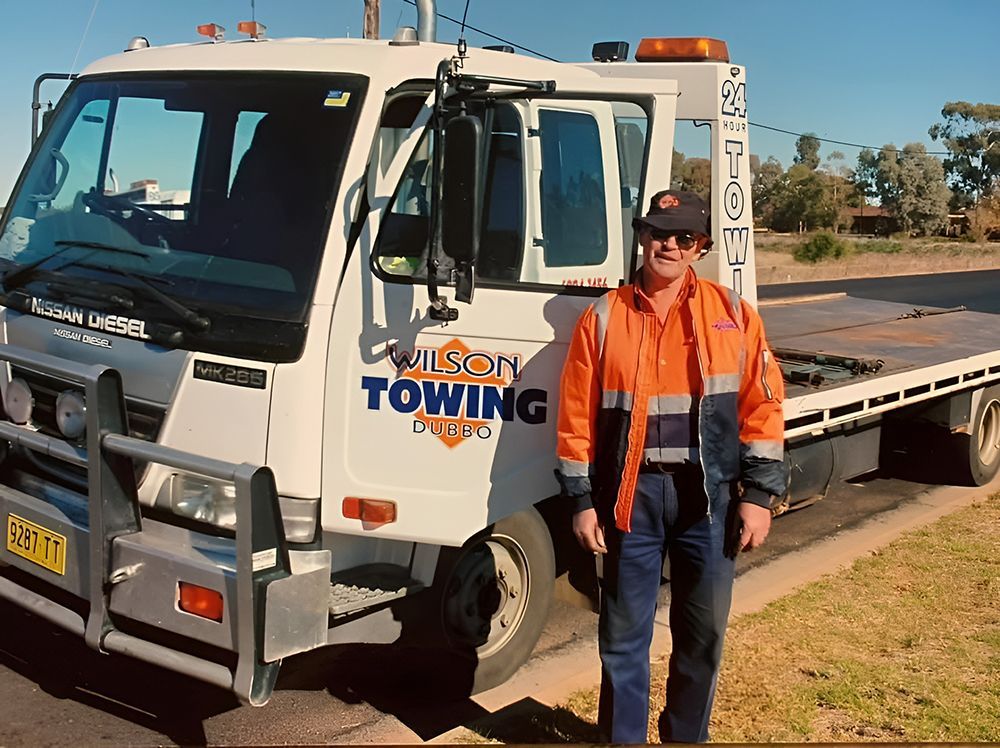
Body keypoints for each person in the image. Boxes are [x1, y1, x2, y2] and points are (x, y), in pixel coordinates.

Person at [555, 189, 788, 743]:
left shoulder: (732, 314)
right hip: (630, 497)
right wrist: (582, 500)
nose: (671, 244)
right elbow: (574, 416)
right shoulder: (604, 316)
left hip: (708, 500)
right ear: (642, 237)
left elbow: (763, 406)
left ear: (700, 247)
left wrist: (758, 495)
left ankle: (687, 735)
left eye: (685, 236)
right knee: (623, 635)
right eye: (660, 232)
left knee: (702, 632)